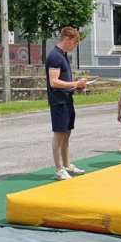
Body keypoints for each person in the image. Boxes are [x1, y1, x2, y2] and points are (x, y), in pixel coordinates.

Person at [46, 27, 89, 181]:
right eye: (75, 43)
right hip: (59, 101)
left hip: (67, 99)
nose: (75, 46)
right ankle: (59, 169)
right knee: (59, 134)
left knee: (67, 132)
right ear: (66, 39)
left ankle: (67, 164)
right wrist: (75, 83)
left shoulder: (63, 56)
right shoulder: (55, 57)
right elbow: (54, 81)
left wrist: (76, 86)